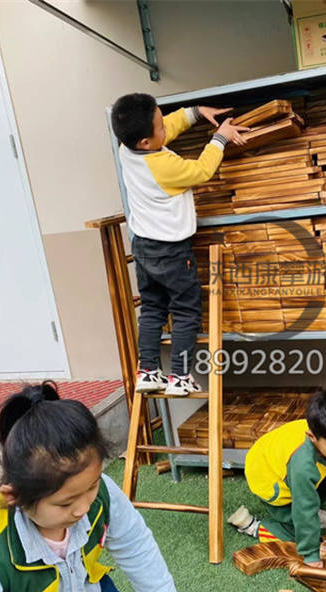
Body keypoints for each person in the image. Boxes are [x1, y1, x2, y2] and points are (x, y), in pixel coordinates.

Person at [0, 382, 177, 592]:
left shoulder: (102, 492)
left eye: (92, 486)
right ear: (15, 496)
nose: (84, 508)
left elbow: (136, 546)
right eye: (66, 503)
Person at [110, 93, 248, 396]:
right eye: (159, 126)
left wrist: (195, 112)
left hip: (144, 247)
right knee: (185, 312)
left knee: (152, 309)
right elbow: (201, 171)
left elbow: (168, 127)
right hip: (172, 252)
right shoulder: (164, 166)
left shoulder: (125, 148)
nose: (165, 127)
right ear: (146, 141)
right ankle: (180, 377)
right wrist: (219, 139)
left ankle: (148, 370)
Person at [228, 388, 326, 566]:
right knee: (301, 528)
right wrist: (311, 554)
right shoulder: (302, 465)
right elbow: (304, 508)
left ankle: (310, 515)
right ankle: (255, 527)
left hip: (288, 466)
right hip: (269, 481)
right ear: (312, 437)